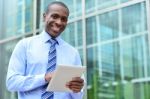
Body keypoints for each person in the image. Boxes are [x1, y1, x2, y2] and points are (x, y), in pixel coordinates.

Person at [6, 1, 84, 99]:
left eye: (63, 19)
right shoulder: (25, 45)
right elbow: (12, 83)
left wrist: (77, 90)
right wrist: (45, 78)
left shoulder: (73, 53)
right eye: (55, 16)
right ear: (44, 17)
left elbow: (78, 95)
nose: (59, 22)